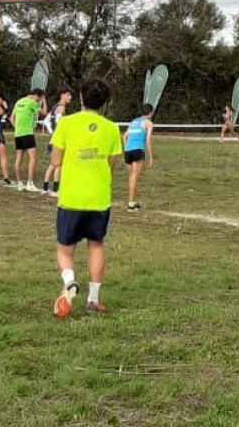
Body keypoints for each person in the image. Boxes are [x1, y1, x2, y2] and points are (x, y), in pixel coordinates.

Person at [51, 79, 122, 318]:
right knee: (96, 246)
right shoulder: (112, 129)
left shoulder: (67, 124)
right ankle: (93, 301)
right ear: (103, 103)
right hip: (99, 197)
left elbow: (55, 162)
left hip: (72, 197)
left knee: (64, 250)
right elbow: (112, 164)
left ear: (81, 97)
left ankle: (69, 281)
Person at [11, 88, 47, 192]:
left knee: (19, 159)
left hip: (18, 134)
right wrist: (44, 101)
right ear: (36, 95)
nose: (38, 101)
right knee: (33, 158)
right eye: (38, 98)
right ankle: (30, 183)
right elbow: (44, 112)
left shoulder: (19, 101)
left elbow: (11, 118)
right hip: (27, 133)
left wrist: (17, 128)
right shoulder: (32, 102)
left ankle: (19, 183)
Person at [123, 103, 154, 212]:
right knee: (134, 177)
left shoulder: (134, 121)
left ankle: (133, 201)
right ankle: (131, 205)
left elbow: (124, 136)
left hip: (127, 150)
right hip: (138, 149)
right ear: (150, 113)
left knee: (131, 177)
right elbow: (148, 139)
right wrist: (151, 157)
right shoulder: (148, 123)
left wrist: (127, 146)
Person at [42, 88, 72, 196]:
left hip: (53, 138)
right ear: (62, 95)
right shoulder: (62, 108)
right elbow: (60, 124)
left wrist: (51, 133)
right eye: (68, 95)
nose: (70, 97)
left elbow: (46, 121)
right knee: (58, 165)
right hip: (58, 140)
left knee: (52, 164)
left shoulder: (55, 106)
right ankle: (55, 190)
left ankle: (45, 188)